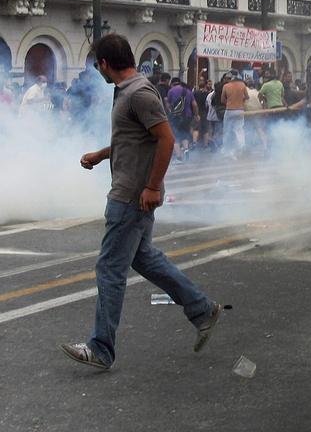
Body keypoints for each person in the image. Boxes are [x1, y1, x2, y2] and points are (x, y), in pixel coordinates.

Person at [61, 34, 220, 370]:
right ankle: (202, 309)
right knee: (144, 259)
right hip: (131, 191)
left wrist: (152, 186)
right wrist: (103, 155)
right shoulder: (128, 91)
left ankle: (101, 347)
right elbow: (133, 138)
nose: (98, 71)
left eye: (97, 65)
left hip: (131, 196)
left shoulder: (139, 92)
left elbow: (165, 139)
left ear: (105, 63)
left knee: (110, 268)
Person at [166, 77, 197, 162]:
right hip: (187, 116)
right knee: (185, 134)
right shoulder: (188, 91)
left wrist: (170, 111)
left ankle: (179, 157)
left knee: (175, 137)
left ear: (172, 84)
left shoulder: (171, 91)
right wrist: (196, 115)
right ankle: (186, 150)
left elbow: (168, 105)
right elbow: (194, 104)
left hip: (176, 117)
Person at [220, 71, 248, 156]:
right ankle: (241, 146)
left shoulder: (226, 86)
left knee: (227, 130)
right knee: (239, 129)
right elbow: (247, 97)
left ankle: (226, 149)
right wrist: (240, 100)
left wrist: (230, 102)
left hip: (229, 109)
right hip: (240, 110)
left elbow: (222, 100)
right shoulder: (242, 85)